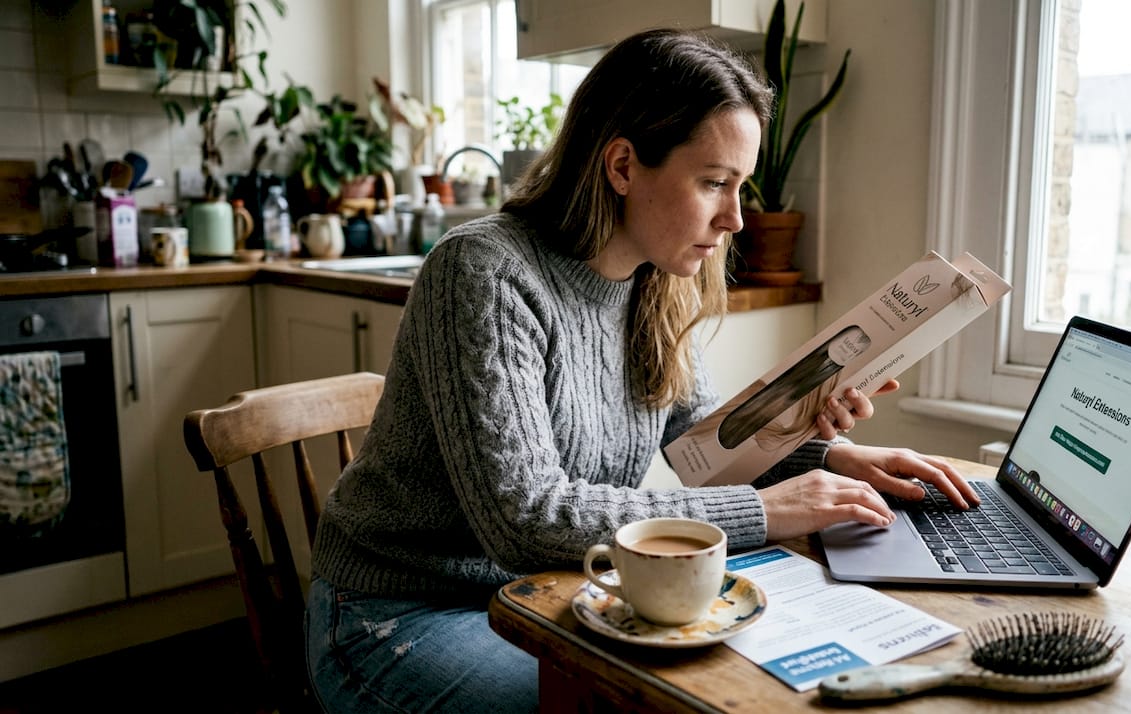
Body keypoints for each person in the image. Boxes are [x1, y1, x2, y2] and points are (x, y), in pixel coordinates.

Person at [306, 27, 980, 713]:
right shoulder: (484, 272)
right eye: (714, 183)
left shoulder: (656, 278)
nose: (736, 219)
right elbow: (526, 520)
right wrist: (766, 510)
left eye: (740, 186)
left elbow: (703, 443)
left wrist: (831, 457)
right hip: (401, 614)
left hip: (556, 594)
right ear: (623, 166)